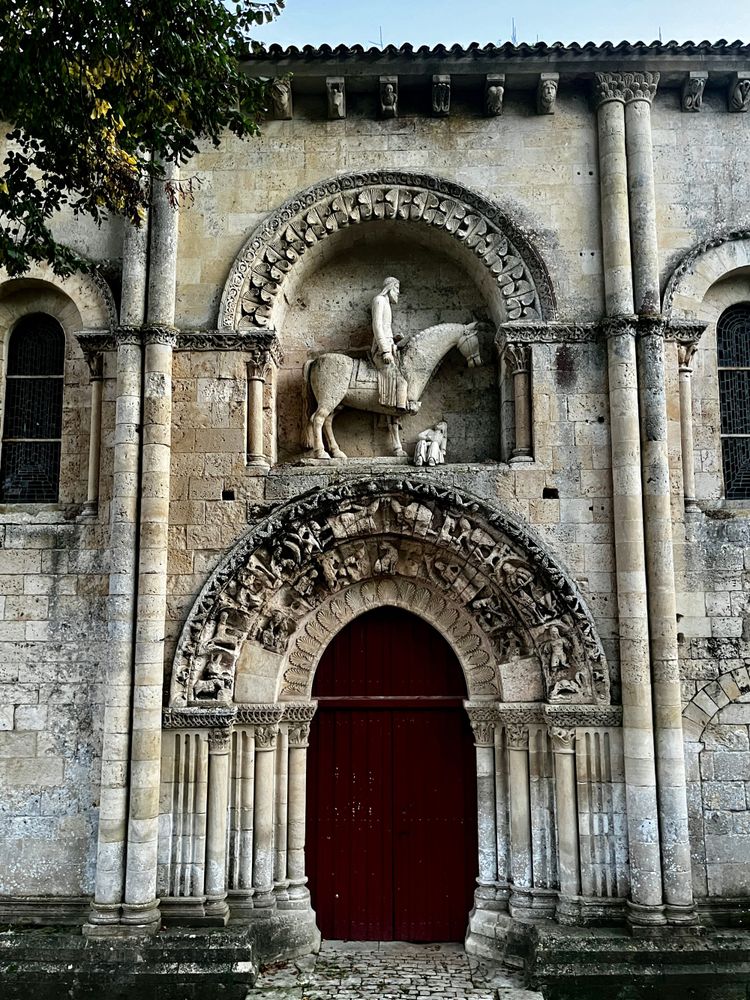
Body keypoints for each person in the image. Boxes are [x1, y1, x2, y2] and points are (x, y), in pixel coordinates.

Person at [371, 277, 415, 411]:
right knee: (401, 382)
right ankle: (398, 411)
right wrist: (385, 350)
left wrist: (394, 339)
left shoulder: (386, 303)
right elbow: (377, 326)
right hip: (381, 350)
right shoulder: (379, 300)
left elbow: (384, 329)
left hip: (390, 348)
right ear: (389, 288)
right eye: (397, 289)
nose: (398, 293)